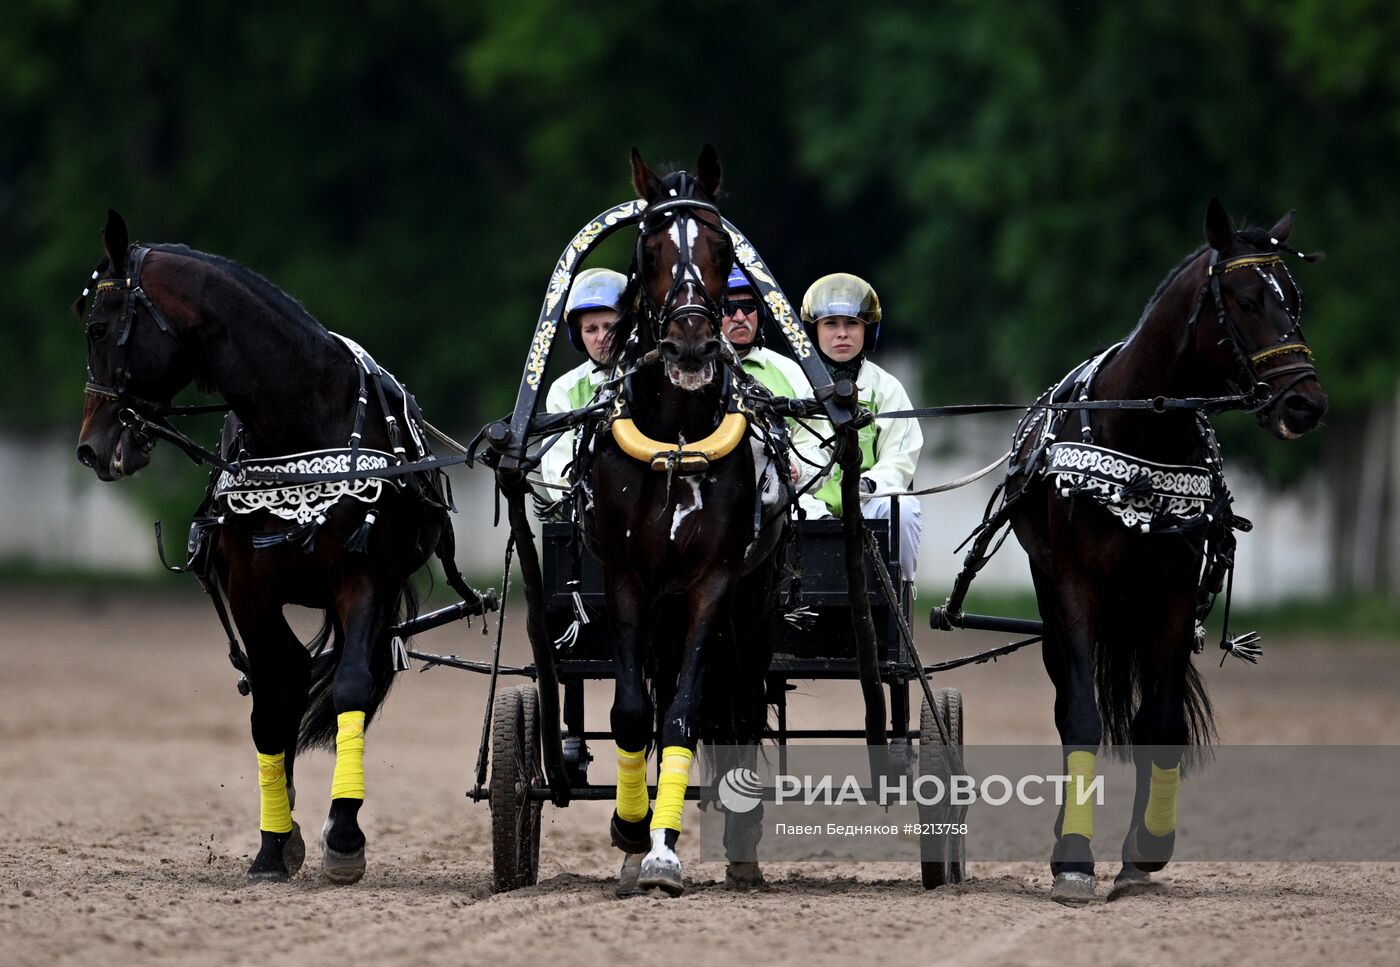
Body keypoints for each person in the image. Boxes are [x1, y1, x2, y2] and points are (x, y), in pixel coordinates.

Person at [796, 272, 923, 579]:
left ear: (869, 330)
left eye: (852, 323)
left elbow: (900, 456)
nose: (842, 333)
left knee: (903, 510)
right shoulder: (793, 383)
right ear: (813, 331)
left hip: (867, 501)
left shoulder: (887, 388)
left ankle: (898, 597)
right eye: (831, 324)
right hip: (806, 501)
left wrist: (868, 485)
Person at [722, 266, 814, 485]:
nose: (740, 316)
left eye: (748, 306)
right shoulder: (694, 375)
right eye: (728, 308)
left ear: (761, 312)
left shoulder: (790, 371)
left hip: (784, 502)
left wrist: (799, 468)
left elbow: (816, 442)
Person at [538, 267, 627, 490]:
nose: (601, 337)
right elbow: (558, 476)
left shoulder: (656, 375)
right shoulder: (564, 389)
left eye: (609, 326)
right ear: (578, 336)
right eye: (591, 329)